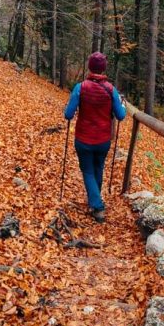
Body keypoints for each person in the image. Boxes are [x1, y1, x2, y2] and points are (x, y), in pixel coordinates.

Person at [63, 52, 126, 222]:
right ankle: (95, 201)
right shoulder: (111, 90)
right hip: (103, 140)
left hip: (83, 139)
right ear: (104, 68)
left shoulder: (80, 87)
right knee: (98, 169)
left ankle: (97, 205)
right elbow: (121, 115)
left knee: (88, 171)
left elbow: (68, 114)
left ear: (90, 66)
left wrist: (69, 107)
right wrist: (123, 105)